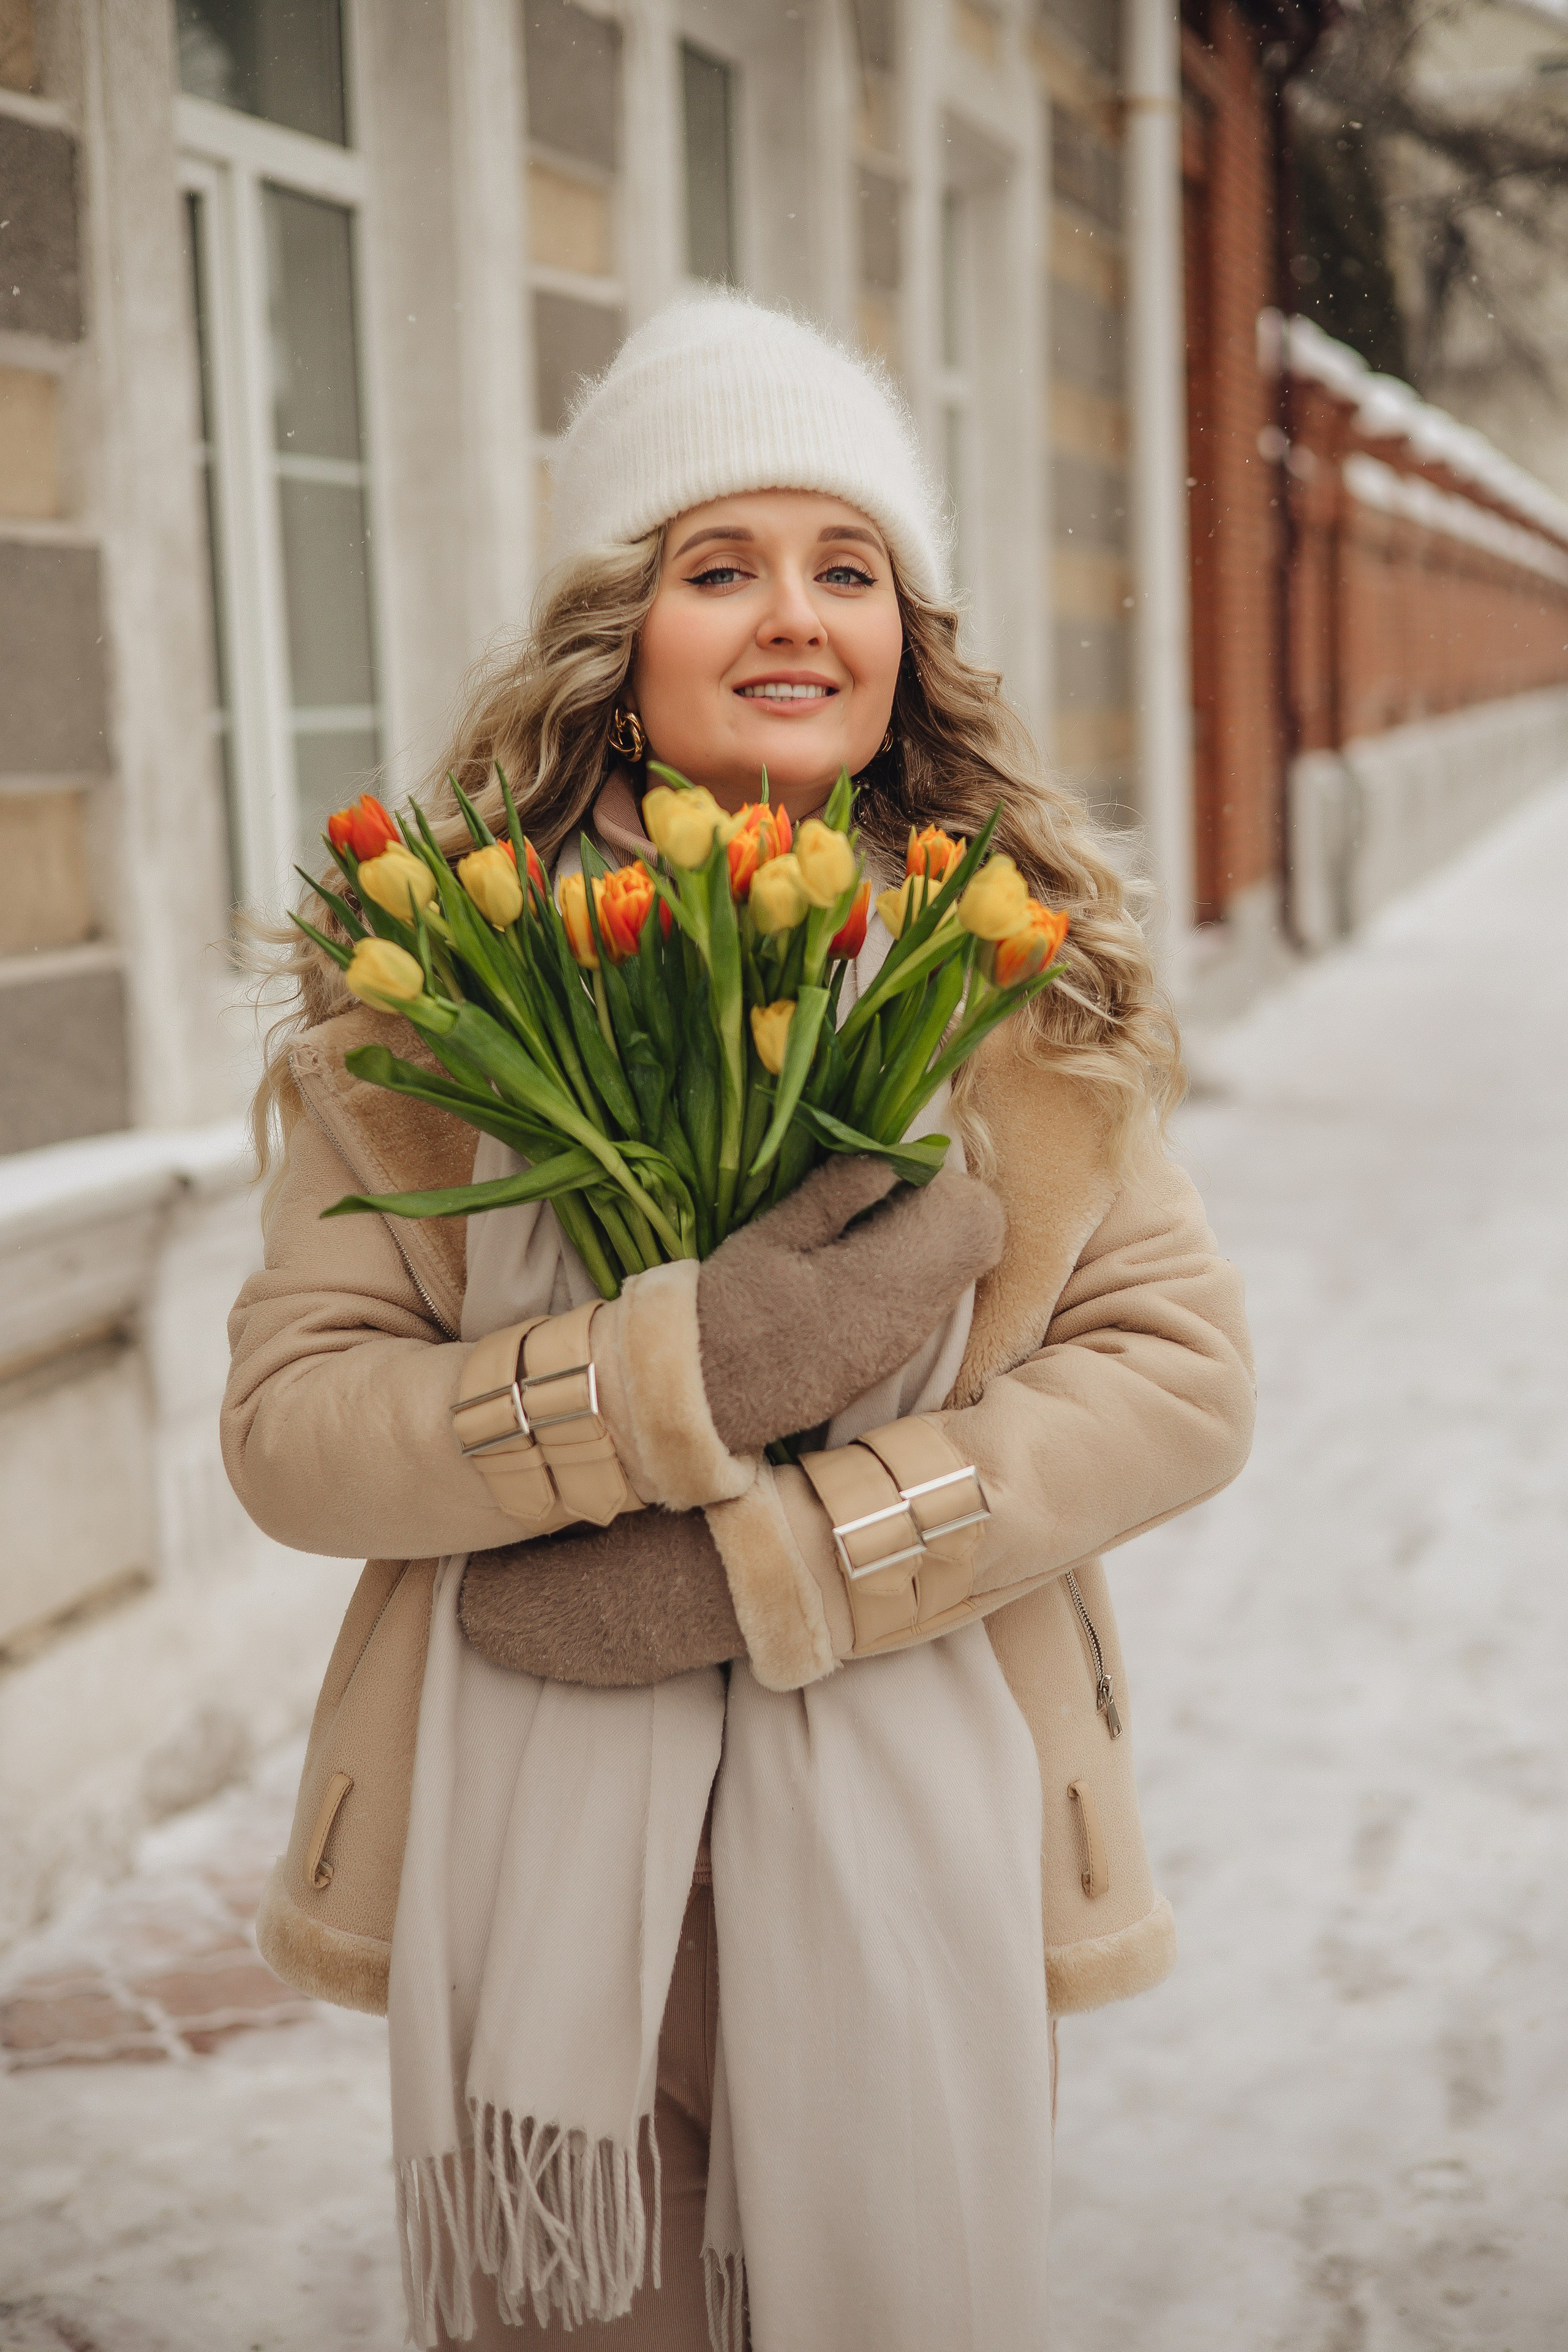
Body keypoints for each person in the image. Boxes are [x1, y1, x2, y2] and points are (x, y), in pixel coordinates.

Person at [224, 293, 1254, 2351]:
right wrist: (655, 1389)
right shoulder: (439, 997)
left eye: (846, 567)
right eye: (721, 566)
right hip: (532, 1852)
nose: (795, 616)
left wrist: (789, 1554)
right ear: (617, 645)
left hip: (917, 1838)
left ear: (906, 643)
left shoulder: (1008, 984)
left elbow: (1177, 1377)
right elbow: (295, 1422)